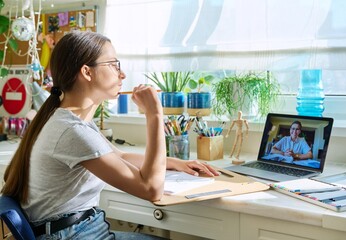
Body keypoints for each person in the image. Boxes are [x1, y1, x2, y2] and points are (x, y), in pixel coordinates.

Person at [1, 31, 219, 240]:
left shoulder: (70, 120)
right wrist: (154, 115)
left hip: (75, 231)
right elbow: (152, 189)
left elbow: (120, 157)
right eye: (114, 65)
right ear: (87, 72)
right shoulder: (72, 130)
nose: (122, 74)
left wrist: (176, 163)